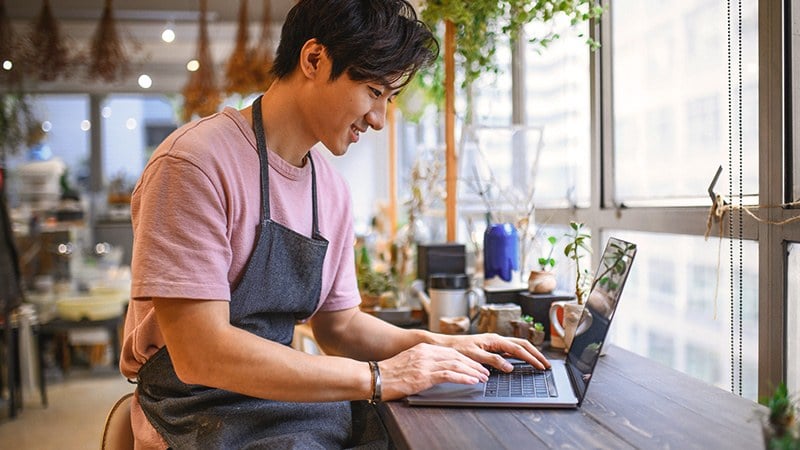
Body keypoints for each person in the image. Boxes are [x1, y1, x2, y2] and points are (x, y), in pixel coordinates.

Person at [120, 0, 550, 448]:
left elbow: (339, 328)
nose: (379, 120)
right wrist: (380, 377)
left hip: (283, 402)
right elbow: (200, 354)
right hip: (198, 410)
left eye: (389, 99)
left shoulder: (329, 188)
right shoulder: (194, 163)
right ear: (313, 59)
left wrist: (433, 344)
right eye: (373, 91)